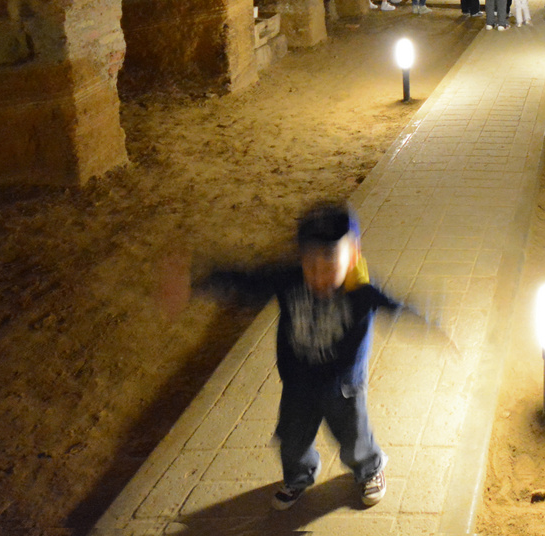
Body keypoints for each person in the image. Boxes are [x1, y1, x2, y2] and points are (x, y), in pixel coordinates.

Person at [170, 203, 407, 512]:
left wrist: (425, 321)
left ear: (353, 255)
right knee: (292, 439)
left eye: (330, 264)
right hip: (299, 383)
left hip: (343, 386)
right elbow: (246, 281)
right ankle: (299, 476)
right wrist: (196, 283)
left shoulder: (361, 290)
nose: (319, 276)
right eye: (311, 265)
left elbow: (394, 305)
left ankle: (369, 468)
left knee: (353, 437)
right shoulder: (290, 280)